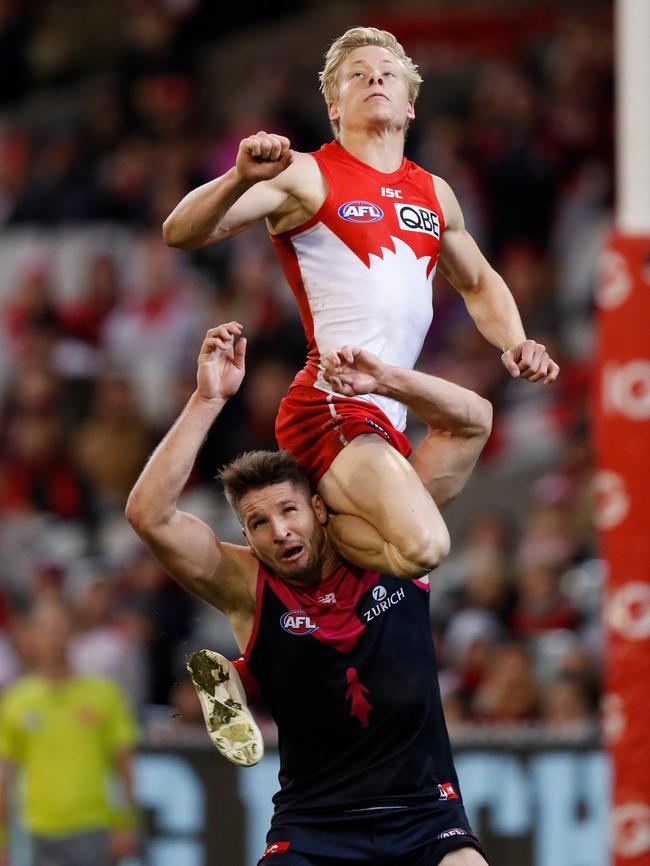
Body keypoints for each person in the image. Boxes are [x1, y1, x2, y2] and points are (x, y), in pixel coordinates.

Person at [162, 27, 560, 579]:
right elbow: (180, 232)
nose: (375, 77)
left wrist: (516, 342)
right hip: (328, 404)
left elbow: (477, 282)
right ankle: (313, 548)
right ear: (333, 105)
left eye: (388, 73)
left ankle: (319, 569)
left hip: (387, 414)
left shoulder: (434, 192)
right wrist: (237, 177)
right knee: (423, 550)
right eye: (358, 74)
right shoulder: (307, 173)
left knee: (466, 436)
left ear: (411, 106)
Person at [126, 322, 490, 866]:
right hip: (316, 825)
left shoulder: (393, 539)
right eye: (259, 523)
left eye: (288, 510)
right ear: (245, 537)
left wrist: (387, 380)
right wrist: (207, 398)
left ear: (319, 508)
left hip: (424, 814)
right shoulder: (249, 585)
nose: (279, 531)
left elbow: (471, 424)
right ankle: (243, 675)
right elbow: (149, 516)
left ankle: (242, 676)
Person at [0, 602, 139, 866]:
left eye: (61, 630)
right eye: (47, 630)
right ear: (32, 637)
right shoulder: (16, 701)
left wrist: (127, 823)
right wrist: (3, 841)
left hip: (93, 825)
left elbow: (125, 765)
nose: (54, 639)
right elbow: (6, 777)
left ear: (73, 634)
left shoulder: (104, 693)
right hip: (38, 828)